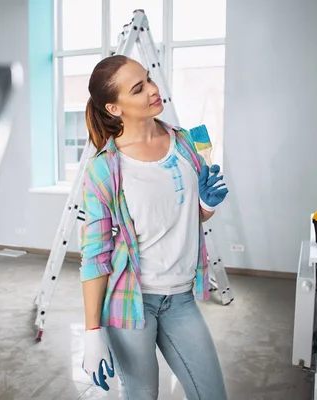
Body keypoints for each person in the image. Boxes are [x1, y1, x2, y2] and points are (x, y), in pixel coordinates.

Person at [79, 54, 229, 400]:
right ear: (114, 108)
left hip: (181, 298)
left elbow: (188, 218)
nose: (153, 89)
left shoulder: (185, 143)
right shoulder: (105, 170)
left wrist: (205, 205)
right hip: (130, 302)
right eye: (138, 88)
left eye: (148, 79)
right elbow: (95, 256)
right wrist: (92, 332)